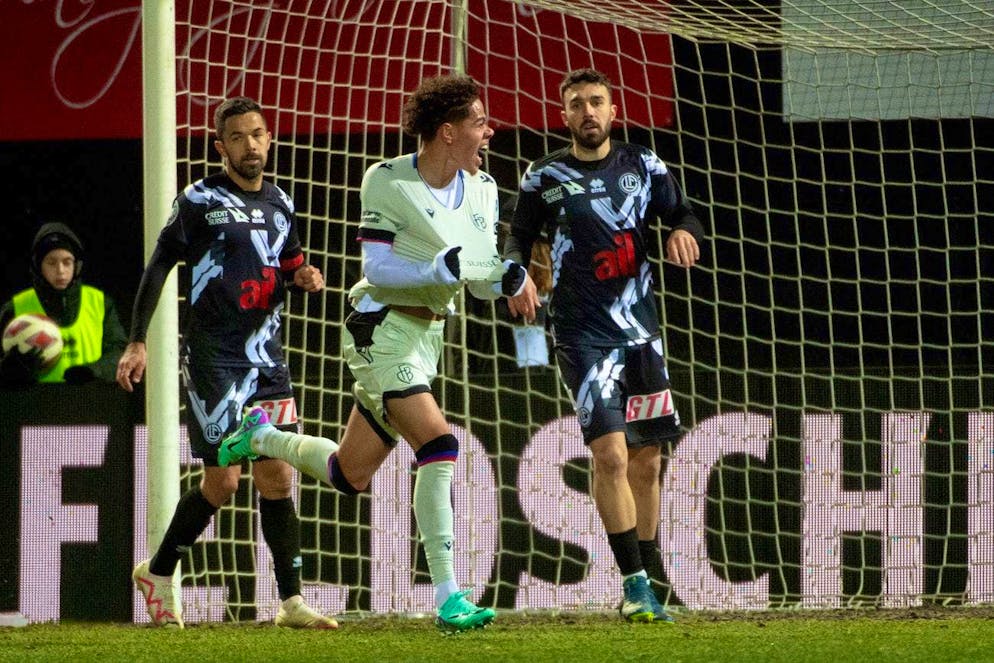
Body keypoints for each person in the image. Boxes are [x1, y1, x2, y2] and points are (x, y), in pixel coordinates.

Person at [216, 75, 540, 632]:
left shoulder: (483, 188)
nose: (489, 131)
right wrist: (438, 268)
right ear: (447, 132)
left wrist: (507, 279)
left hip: (428, 336)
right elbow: (377, 268)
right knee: (438, 443)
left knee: (350, 474)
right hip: (380, 326)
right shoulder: (387, 180)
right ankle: (449, 596)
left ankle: (262, 438)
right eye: (479, 122)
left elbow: (478, 276)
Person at [116, 96, 337, 630]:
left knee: (278, 478)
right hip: (214, 358)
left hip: (267, 357)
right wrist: (137, 340)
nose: (250, 145)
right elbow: (159, 264)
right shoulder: (199, 199)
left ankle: (291, 602)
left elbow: (289, 267)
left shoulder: (281, 203)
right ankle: (158, 572)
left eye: (257, 134)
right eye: (237, 137)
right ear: (221, 147)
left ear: (269, 139)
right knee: (224, 483)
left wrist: (305, 278)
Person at [504, 68, 704, 623]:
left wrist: (682, 232)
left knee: (648, 462)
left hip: (641, 333)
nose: (587, 112)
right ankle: (635, 585)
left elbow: (683, 213)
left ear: (613, 111)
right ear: (564, 115)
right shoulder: (544, 175)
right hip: (581, 335)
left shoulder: (643, 164)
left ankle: (647, 583)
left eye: (596, 102)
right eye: (577, 104)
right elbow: (518, 236)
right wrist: (515, 275)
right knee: (611, 455)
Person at [0, 222, 128, 386]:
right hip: (33, 400)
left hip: (89, 399)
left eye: (67, 262)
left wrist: (94, 371)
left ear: (77, 266)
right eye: (51, 262)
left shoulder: (100, 303)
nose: (60, 271)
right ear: (38, 265)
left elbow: (119, 352)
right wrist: (7, 371)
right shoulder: (15, 308)